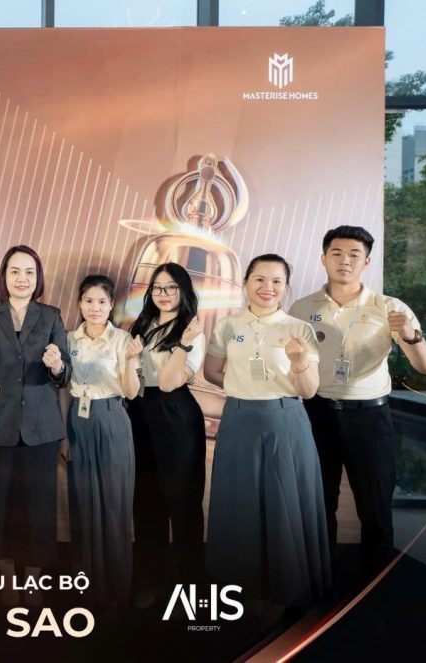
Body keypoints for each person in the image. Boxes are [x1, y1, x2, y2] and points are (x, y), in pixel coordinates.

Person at [290, 225, 426, 578]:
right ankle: (319, 583)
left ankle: (376, 587)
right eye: (337, 253)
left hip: (369, 417)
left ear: (367, 261)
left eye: (354, 254)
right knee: (317, 505)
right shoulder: (302, 307)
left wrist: (410, 336)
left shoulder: (389, 307)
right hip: (316, 414)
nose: (345, 261)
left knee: (375, 508)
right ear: (323, 258)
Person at [203, 254, 331, 609]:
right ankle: (240, 589)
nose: (267, 287)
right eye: (259, 279)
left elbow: (308, 391)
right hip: (238, 420)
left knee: (284, 501)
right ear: (246, 282)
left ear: (286, 287)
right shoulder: (228, 326)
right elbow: (212, 372)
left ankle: (289, 589)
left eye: (277, 281)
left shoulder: (299, 329)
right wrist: (242, 386)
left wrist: (299, 362)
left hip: (284, 421)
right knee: (238, 501)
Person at [0, 245, 71, 607]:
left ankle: (33, 579)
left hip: (40, 428)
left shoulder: (51, 316)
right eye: (15, 271)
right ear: (4, 276)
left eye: (29, 271)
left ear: (38, 277)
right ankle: (6, 577)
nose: (22, 278)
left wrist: (57, 365)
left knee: (38, 507)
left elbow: (64, 374)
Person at [126, 263, 206, 603]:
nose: (164, 293)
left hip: (176, 415)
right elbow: (131, 378)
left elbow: (171, 382)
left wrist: (183, 345)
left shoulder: (191, 330)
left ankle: (189, 586)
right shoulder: (141, 325)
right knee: (145, 500)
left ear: (184, 291)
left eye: (171, 287)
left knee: (182, 500)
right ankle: (151, 582)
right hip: (140, 413)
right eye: (158, 287)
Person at [63, 274, 140, 608]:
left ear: (112, 306)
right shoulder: (69, 339)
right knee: (82, 504)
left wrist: (132, 360)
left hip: (111, 419)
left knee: (113, 504)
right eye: (88, 301)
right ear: (80, 304)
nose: (95, 308)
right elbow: (61, 389)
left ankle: (116, 592)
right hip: (77, 423)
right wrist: (63, 436)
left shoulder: (123, 340)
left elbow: (131, 392)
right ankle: (86, 587)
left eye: (102, 302)